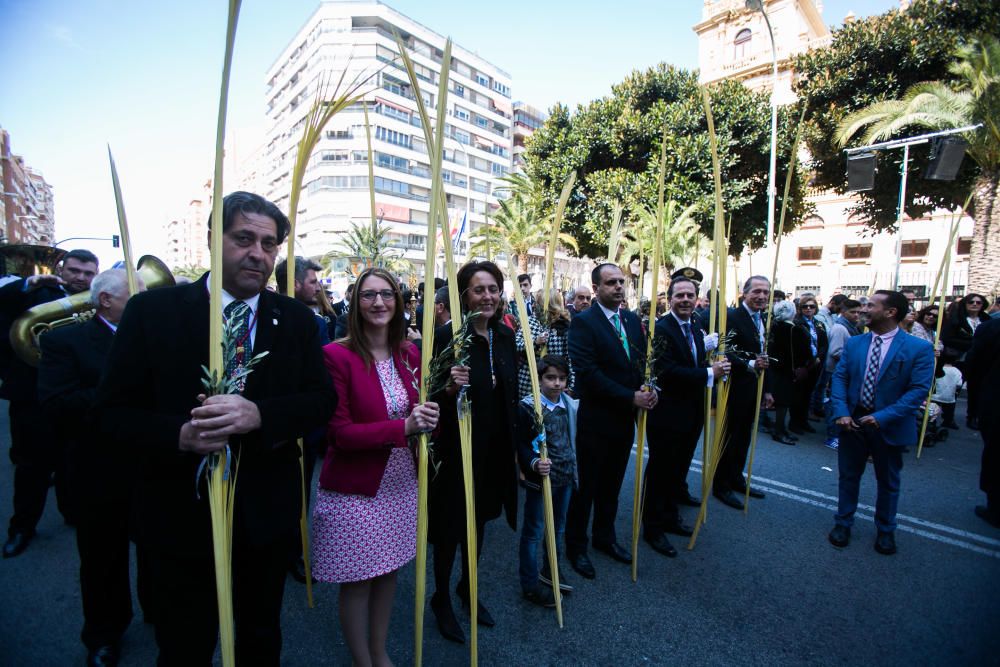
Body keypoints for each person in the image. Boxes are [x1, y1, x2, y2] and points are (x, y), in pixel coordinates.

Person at [94, 191, 336, 664]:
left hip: (264, 519)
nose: (258, 254)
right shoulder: (151, 313)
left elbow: (321, 401)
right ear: (211, 240)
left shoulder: (294, 321)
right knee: (184, 644)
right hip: (177, 517)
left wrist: (260, 415)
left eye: (269, 244)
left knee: (260, 640)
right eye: (243, 238)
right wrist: (180, 435)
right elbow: (109, 414)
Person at [312, 267, 439, 666]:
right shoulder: (336, 356)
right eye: (368, 295)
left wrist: (436, 408)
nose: (379, 302)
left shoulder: (410, 353)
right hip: (356, 486)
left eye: (387, 294)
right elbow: (339, 434)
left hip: (402, 481)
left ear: (399, 302)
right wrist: (403, 426)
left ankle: (380, 653)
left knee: (388, 572)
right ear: (355, 303)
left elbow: (420, 415)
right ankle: (362, 660)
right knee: (358, 580)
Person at [37, 269, 145, 667]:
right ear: (106, 301)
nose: (148, 301)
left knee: (157, 548)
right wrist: (117, 386)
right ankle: (104, 635)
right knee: (103, 560)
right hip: (97, 470)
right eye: (138, 294)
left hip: (151, 464)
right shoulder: (64, 341)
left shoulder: (155, 337)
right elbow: (56, 405)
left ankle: (157, 611)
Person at [429, 260, 519, 644]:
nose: (487, 296)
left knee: (479, 521)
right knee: (450, 527)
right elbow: (426, 400)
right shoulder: (444, 338)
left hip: (494, 451)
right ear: (463, 295)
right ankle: (442, 596)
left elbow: (511, 394)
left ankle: (468, 586)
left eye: (493, 289)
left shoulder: (505, 335)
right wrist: (448, 390)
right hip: (455, 451)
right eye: (478, 289)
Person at [1, 248, 99, 558]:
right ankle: (22, 527)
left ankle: (73, 513)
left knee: (74, 461)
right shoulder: (36, 293)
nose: (80, 278)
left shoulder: (99, 302)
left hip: (76, 397)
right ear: (60, 269)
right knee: (32, 467)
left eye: (88, 273)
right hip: (33, 396)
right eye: (74, 271)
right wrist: (24, 285)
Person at [828, 290, 934, 556]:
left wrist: (881, 417)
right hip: (853, 422)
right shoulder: (855, 343)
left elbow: (917, 391)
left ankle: (886, 530)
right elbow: (840, 379)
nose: (863, 309)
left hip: (889, 425)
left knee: (888, 481)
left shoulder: (918, 348)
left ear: (890, 312)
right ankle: (843, 523)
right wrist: (841, 411)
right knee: (848, 476)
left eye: (870, 305)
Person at [566, 263, 655, 579]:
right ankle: (576, 545)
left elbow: (640, 362)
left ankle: (604, 537)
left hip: (623, 420)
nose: (618, 287)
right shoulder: (584, 323)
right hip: (596, 419)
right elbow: (588, 374)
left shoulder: (631, 320)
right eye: (611, 282)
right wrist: (629, 396)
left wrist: (647, 388)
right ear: (596, 288)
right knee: (586, 486)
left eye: (622, 281)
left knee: (612, 484)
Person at [645, 277, 728, 555]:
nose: (685, 300)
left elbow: (692, 359)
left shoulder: (694, 325)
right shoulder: (662, 329)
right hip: (667, 414)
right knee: (660, 472)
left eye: (689, 295)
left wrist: (710, 358)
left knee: (678, 471)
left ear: (696, 299)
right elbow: (668, 371)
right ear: (670, 299)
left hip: (691, 412)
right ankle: (653, 528)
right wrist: (708, 373)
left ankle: (670, 517)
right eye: (679, 295)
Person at [515, 355, 578, 607]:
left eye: (562, 379)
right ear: (539, 379)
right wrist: (532, 463)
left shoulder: (569, 405)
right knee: (535, 530)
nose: (557, 384)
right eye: (551, 378)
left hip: (564, 477)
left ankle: (551, 568)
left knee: (559, 527)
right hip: (542, 480)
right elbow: (521, 444)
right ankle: (529, 583)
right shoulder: (529, 407)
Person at [714, 276, 773, 510]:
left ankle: (736, 477)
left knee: (744, 436)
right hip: (735, 386)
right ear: (744, 293)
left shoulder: (764, 319)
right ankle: (721, 484)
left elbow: (765, 357)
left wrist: (767, 389)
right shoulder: (731, 316)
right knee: (730, 436)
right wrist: (749, 364)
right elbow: (724, 349)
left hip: (753, 387)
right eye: (756, 291)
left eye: (765, 292)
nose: (761, 296)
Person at [964, 316, 1000, 527]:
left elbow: (974, 365)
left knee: (995, 456)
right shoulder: (992, 328)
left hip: (993, 402)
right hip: (994, 400)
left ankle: (995, 507)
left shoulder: (991, 327)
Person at [941, 293, 991, 429]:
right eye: (971, 302)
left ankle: (973, 417)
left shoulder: (987, 320)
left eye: (978, 302)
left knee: (977, 390)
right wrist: (971, 344)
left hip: (981, 360)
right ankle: (948, 417)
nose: (975, 304)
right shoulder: (956, 319)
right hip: (959, 359)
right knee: (953, 388)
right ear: (965, 304)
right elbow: (947, 338)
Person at [515, 289, 575, 399]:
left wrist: (571, 385)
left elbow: (569, 357)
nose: (533, 305)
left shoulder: (564, 326)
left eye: (537, 302)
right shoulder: (529, 322)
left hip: (554, 384)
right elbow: (516, 345)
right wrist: (535, 342)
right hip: (529, 383)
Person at [823, 299, 863, 450]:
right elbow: (836, 352)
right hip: (835, 371)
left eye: (859, 312)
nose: (856, 315)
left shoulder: (852, 327)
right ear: (843, 312)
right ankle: (832, 436)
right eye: (853, 312)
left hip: (842, 372)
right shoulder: (841, 328)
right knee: (833, 403)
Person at [768, 300, 808, 446]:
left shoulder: (773, 326)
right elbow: (804, 352)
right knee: (783, 402)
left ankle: (780, 429)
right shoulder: (795, 330)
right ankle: (779, 431)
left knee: (779, 400)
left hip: (774, 366)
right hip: (788, 369)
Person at [789, 295, 828, 434]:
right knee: (798, 395)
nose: (808, 309)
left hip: (816, 364)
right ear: (800, 308)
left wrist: (818, 357)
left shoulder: (819, 324)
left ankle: (803, 420)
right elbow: (795, 347)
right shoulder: (796, 323)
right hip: (802, 365)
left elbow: (824, 344)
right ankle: (794, 423)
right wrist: (804, 363)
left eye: (812, 306)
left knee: (808, 394)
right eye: (805, 306)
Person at [931, 354, 962, 430]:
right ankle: (948, 421)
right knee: (949, 410)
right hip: (949, 396)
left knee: (932, 409)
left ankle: (932, 421)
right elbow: (959, 384)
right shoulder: (957, 371)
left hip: (935, 395)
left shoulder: (938, 368)